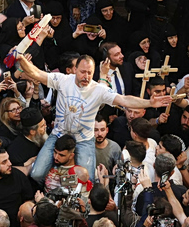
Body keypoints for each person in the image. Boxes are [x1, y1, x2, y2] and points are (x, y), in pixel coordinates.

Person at [17, 52, 171, 181]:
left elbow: (124, 99)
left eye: (89, 73)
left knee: (88, 179)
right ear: (75, 70)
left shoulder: (98, 90)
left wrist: (149, 103)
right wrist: (21, 59)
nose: (86, 76)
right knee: (37, 174)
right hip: (59, 134)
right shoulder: (63, 80)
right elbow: (36, 73)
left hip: (83, 139)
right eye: (83, 72)